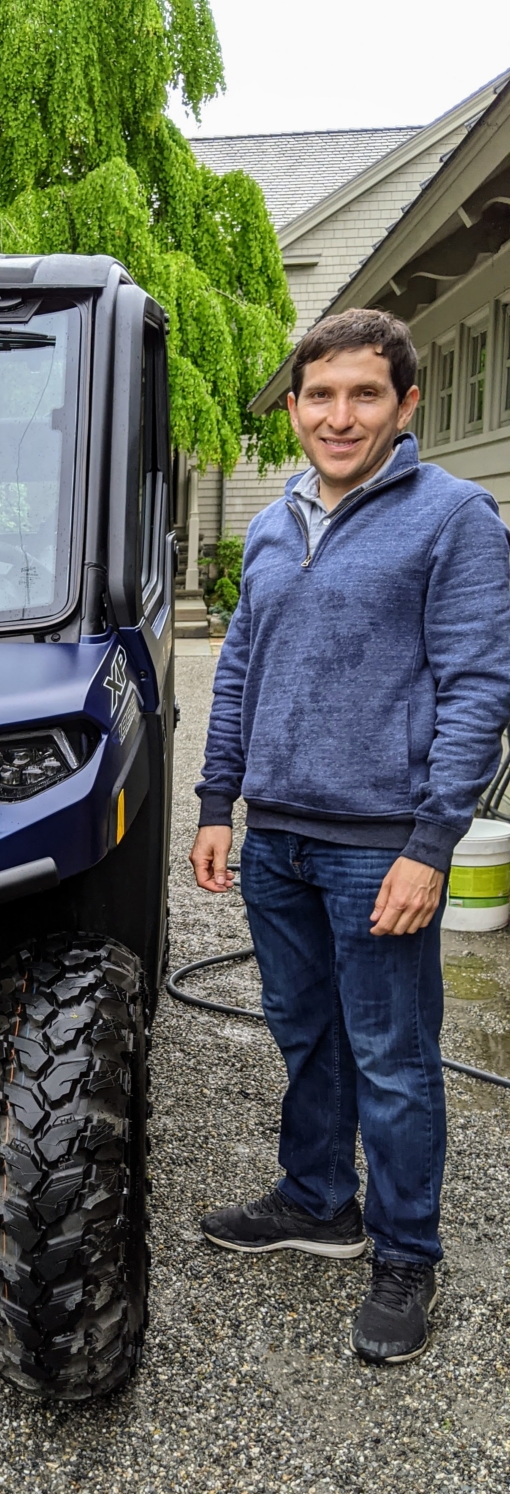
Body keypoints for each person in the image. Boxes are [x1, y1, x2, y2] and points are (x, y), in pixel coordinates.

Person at [189, 308, 510, 1365]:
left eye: (362, 394)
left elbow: (475, 689)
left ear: (404, 404)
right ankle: (317, 1199)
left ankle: (404, 1249)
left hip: (378, 844)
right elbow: (238, 668)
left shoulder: (452, 519)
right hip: (274, 837)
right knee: (304, 1033)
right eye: (316, 395)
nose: (337, 415)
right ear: (291, 408)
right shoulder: (277, 519)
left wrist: (429, 843)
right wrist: (213, 802)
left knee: (393, 1057)